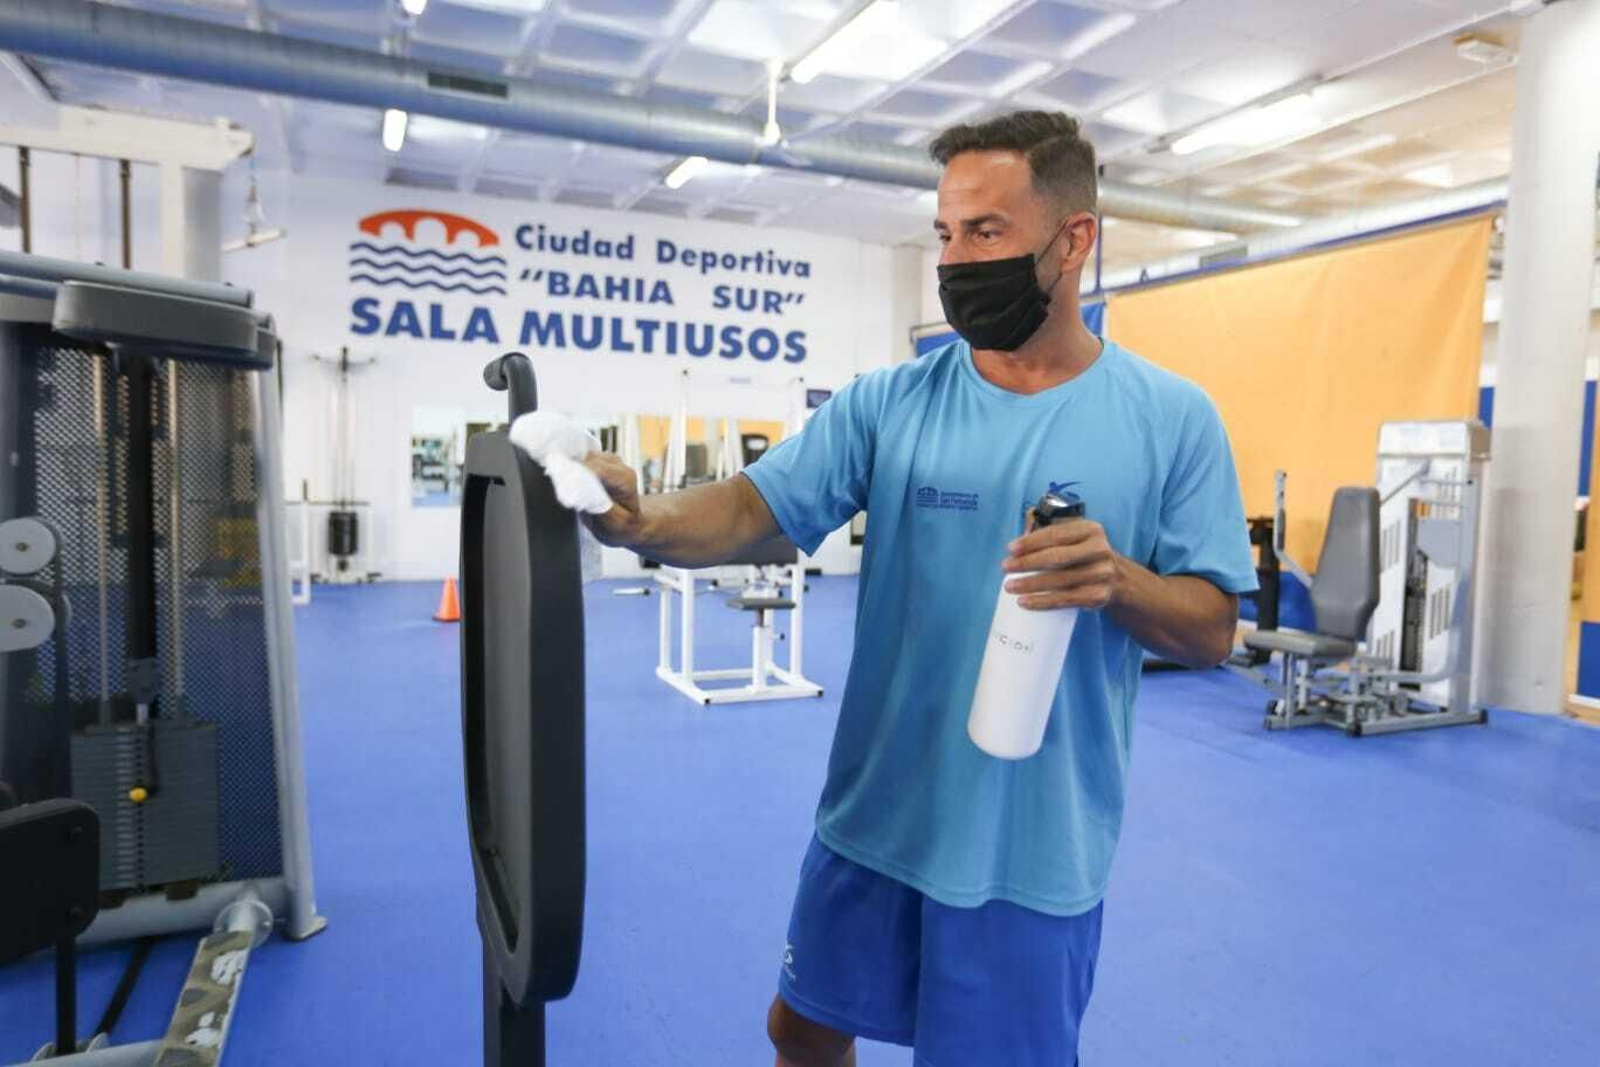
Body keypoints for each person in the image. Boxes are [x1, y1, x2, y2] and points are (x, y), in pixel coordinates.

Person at [581, 110, 1258, 1067]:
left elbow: (1214, 628)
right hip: (877, 814)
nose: (954, 261)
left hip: (1029, 845)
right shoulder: (891, 402)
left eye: (985, 231)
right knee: (800, 1031)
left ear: (1074, 241)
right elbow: (751, 507)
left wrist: (1119, 581)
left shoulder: (1173, 418)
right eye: (945, 233)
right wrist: (640, 520)